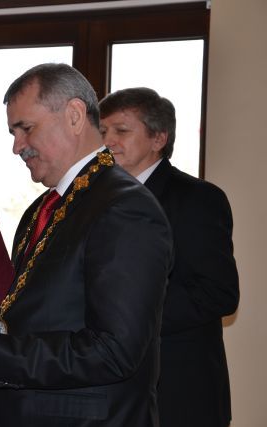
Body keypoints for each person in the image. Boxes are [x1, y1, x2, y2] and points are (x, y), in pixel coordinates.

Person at [0, 63, 173, 426]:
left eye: (26, 128)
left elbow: (115, 350)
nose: (17, 147)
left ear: (74, 116)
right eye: (13, 133)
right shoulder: (41, 209)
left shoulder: (125, 207)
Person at [98, 87, 239, 427]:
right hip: (112, 395)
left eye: (121, 130)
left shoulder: (198, 199)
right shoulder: (96, 201)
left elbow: (218, 293)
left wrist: (129, 320)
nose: (108, 141)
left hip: (180, 392)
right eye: (102, 132)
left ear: (158, 138)